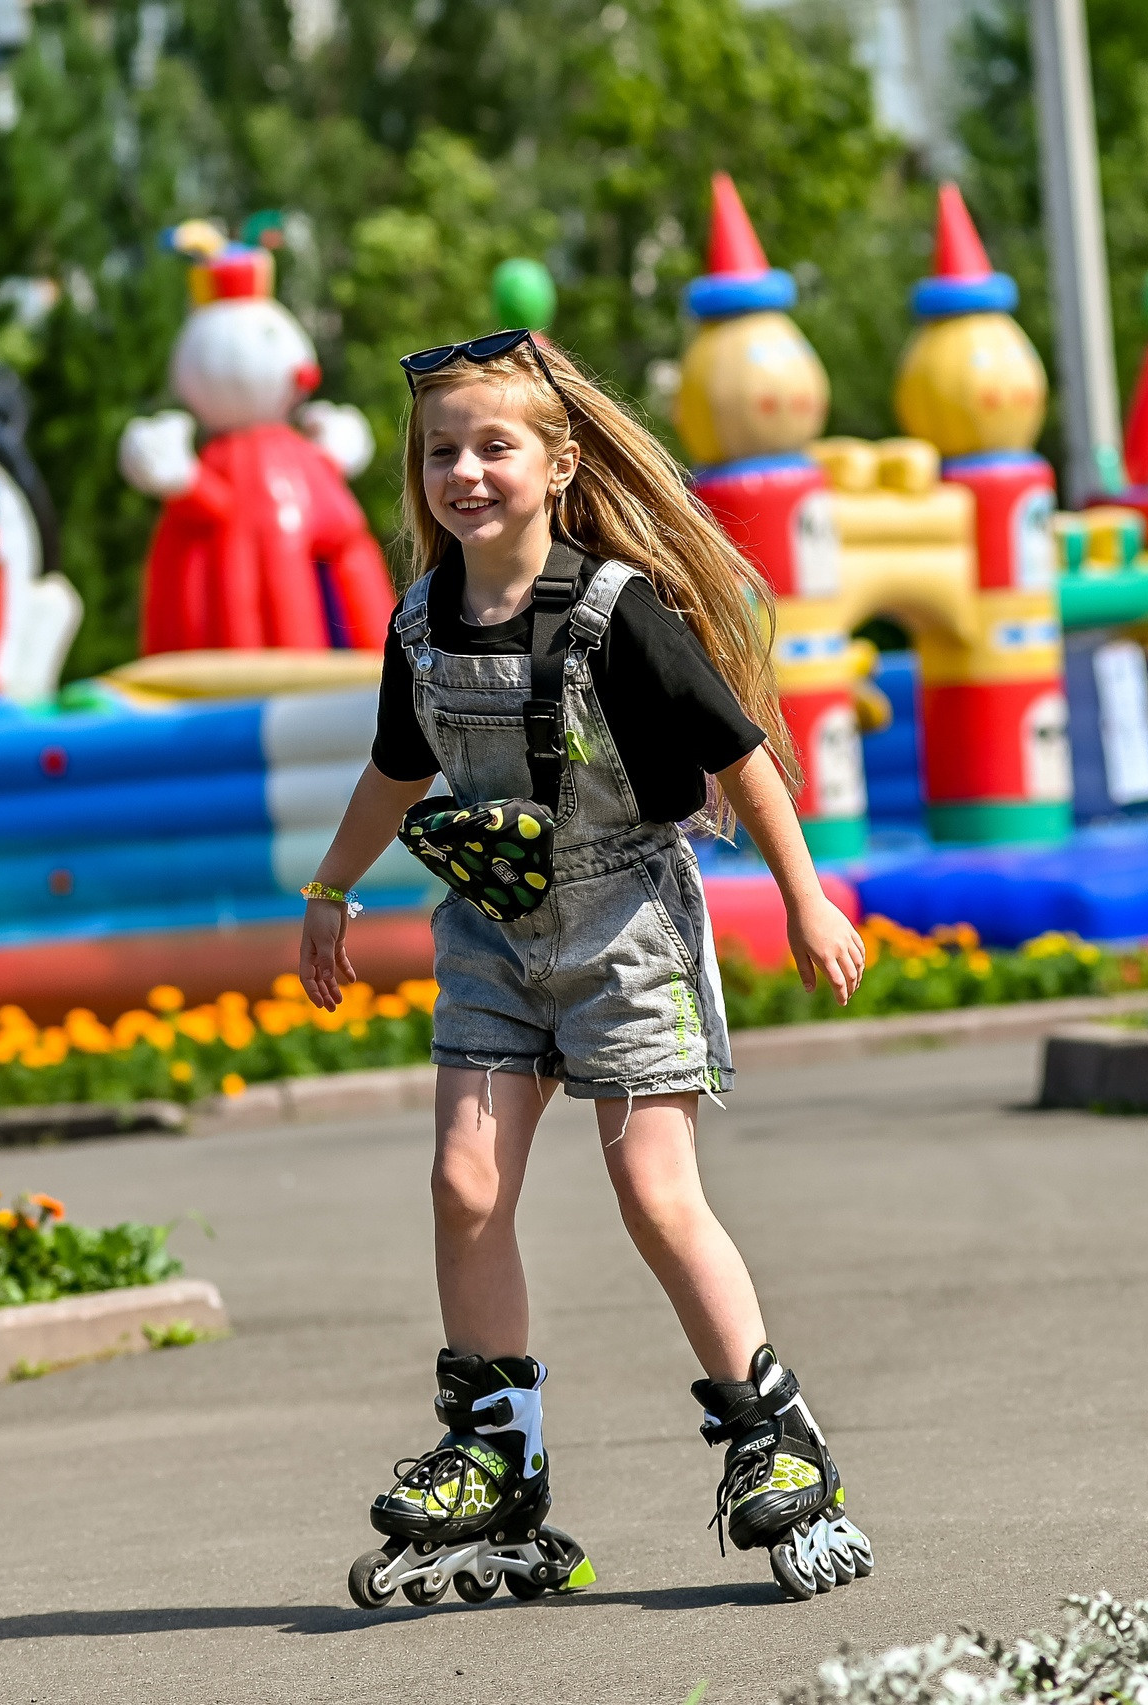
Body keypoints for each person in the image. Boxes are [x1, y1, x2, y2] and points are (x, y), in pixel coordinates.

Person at [305, 329, 875, 1606]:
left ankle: (777, 1438)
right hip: (491, 933)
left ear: (558, 464)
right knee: (462, 1181)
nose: (465, 471)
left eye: (494, 446)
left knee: (652, 1191)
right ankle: (497, 1456)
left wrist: (804, 897)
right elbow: (398, 769)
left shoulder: (619, 614)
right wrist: (330, 888)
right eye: (441, 451)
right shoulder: (418, 622)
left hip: (625, 926)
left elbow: (743, 760)